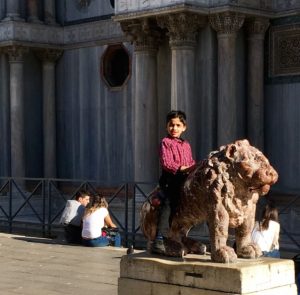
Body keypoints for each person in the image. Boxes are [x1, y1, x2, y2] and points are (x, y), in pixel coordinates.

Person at [153, 110, 196, 253]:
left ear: (184, 127)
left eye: (178, 125)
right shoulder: (165, 142)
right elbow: (167, 163)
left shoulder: (186, 145)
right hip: (170, 180)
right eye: (171, 125)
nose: (174, 128)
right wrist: (182, 168)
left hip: (184, 181)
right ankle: (159, 239)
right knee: (168, 204)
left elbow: (190, 161)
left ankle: (182, 236)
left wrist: (193, 167)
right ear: (167, 126)